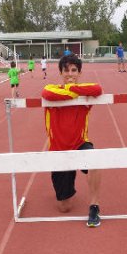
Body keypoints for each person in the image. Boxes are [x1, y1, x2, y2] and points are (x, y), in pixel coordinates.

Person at [41, 54, 103, 227]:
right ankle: (68, 180)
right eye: (66, 70)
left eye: (74, 70)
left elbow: (97, 89)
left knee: (96, 159)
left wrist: (73, 90)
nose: (70, 74)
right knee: (64, 207)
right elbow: (46, 92)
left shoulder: (84, 96)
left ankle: (94, 206)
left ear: (79, 73)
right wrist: (74, 91)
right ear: (60, 72)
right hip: (58, 149)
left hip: (80, 144)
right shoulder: (52, 88)